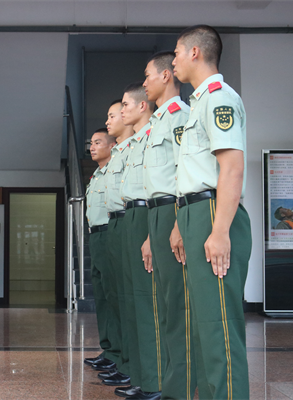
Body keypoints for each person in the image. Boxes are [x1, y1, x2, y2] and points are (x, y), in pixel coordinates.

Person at [173, 25, 251, 399]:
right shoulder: (199, 103)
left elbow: (232, 168)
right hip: (196, 213)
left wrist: (220, 231)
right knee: (203, 325)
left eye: (176, 53)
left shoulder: (220, 98)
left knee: (219, 325)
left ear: (195, 52)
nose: (173, 61)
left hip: (214, 214)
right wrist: (180, 223)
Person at [142, 52, 197, 400]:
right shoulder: (158, 121)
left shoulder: (180, 116)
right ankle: (169, 384)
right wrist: (152, 234)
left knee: (178, 306)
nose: (144, 82)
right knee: (165, 306)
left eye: (148, 75)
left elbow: (183, 171)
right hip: (156, 215)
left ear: (165, 76)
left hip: (172, 211)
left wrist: (177, 222)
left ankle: (181, 389)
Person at [119, 82, 162, 400]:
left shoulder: (154, 133)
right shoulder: (134, 142)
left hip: (148, 213)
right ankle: (141, 376)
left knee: (148, 303)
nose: (122, 111)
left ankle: (155, 381)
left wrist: (150, 233)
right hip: (130, 215)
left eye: (125, 105)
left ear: (142, 106)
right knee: (133, 302)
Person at [94, 100, 134, 390]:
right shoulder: (108, 165)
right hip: (106, 230)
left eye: (113, 115)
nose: (109, 121)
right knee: (108, 297)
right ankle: (116, 355)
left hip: (122, 225)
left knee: (126, 300)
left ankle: (128, 363)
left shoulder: (130, 150)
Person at [84, 127, 119, 372]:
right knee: (102, 297)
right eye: (91, 143)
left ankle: (119, 353)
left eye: (98, 142)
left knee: (113, 295)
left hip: (110, 233)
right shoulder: (96, 175)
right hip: (95, 235)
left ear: (112, 146)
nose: (92, 147)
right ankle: (109, 349)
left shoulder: (116, 170)